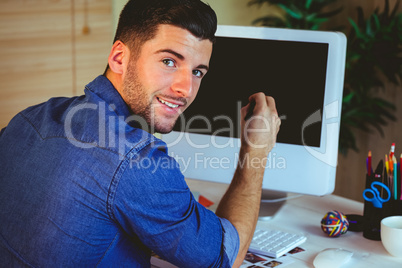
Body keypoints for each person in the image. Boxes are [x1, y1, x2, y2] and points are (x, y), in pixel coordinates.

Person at [0, 0, 281, 267]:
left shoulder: (30, 117)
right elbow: (225, 258)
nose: (186, 89)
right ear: (120, 58)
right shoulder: (135, 159)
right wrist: (254, 151)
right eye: (169, 61)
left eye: (197, 72)